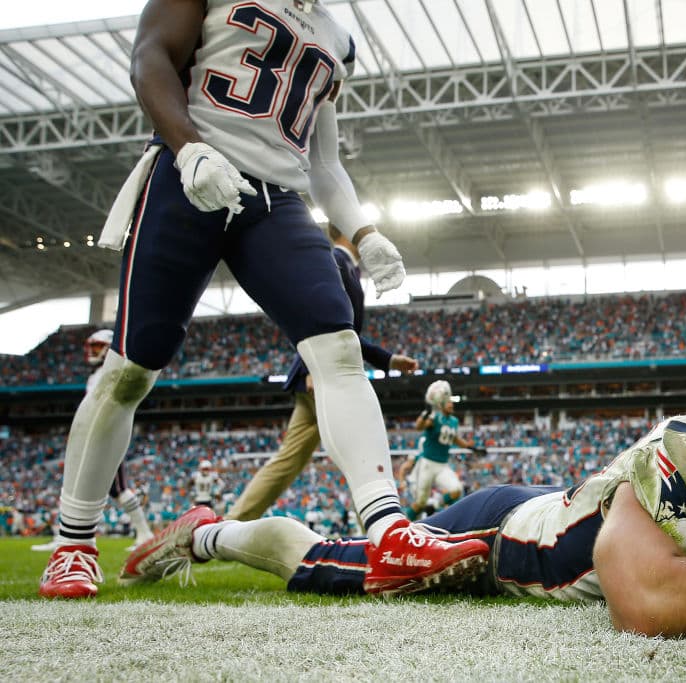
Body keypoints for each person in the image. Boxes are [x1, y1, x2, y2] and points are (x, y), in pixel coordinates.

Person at [39, 0, 488, 599]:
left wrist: (364, 231)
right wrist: (190, 146)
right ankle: (73, 543)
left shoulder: (336, 36)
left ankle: (389, 532)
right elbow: (151, 59)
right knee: (130, 371)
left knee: (339, 349)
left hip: (275, 199)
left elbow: (325, 161)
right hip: (187, 173)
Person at [122, 401, 686, 635]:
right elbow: (646, 600)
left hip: (567, 516)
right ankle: (209, 531)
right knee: (345, 566)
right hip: (499, 537)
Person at [227, 226, 418, 522]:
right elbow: (311, 317)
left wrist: (390, 360)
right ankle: (387, 532)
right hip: (323, 376)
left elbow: (345, 333)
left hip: (321, 375)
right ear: (347, 231)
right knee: (361, 451)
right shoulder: (335, 263)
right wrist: (311, 369)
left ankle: (229, 525)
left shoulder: (345, 267)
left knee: (288, 462)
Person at [32, 329, 155, 553]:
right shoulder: (96, 375)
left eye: (98, 346)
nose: (92, 351)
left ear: (109, 347)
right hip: (98, 438)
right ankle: (65, 535)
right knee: (104, 488)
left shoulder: (108, 373)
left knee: (116, 489)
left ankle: (144, 533)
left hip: (104, 438)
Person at [397, 381, 484, 519]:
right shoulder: (434, 417)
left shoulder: (454, 421)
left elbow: (455, 439)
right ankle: (406, 522)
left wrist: (471, 448)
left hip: (442, 465)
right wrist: (426, 413)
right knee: (420, 502)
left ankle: (436, 505)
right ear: (441, 404)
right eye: (449, 402)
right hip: (427, 464)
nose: (451, 404)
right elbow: (419, 426)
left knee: (456, 490)